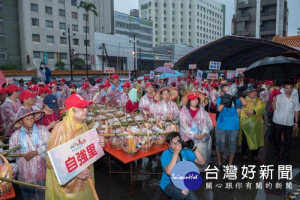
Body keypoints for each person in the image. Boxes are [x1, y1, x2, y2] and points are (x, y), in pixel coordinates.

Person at [45, 94, 104, 199]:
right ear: (72, 110)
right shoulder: (60, 129)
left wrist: (97, 144)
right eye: (81, 108)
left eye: (86, 107)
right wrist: (75, 172)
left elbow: (85, 150)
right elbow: (51, 161)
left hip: (85, 182)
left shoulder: (83, 126)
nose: (86, 110)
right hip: (68, 188)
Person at [9, 108, 49, 200]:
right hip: (25, 175)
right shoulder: (15, 135)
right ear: (21, 121)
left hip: (42, 172)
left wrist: (36, 152)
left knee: (43, 196)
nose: (30, 120)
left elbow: (50, 145)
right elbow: (11, 156)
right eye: (26, 119)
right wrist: (8, 153)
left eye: (32, 117)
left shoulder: (42, 130)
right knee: (28, 197)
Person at [160, 132, 205, 200]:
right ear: (169, 145)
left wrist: (194, 149)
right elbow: (169, 172)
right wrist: (176, 153)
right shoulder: (166, 153)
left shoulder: (185, 151)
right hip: (168, 183)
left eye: (178, 142)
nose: (177, 145)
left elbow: (202, 162)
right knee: (182, 194)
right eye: (174, 143)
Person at [180, 92, 213, 171]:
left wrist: (203, 133)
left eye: (196, 100)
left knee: (201, 159)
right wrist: (193, 135)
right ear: (189, 101)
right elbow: (183, 126)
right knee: (189, 159)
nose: (195, 102)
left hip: (202, 139)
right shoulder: (183, 112)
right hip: (188, 140)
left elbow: (207, 123)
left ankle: (199, 174)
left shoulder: (202, 111)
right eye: (192, 100)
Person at [216, 84, 245, 168]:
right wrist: (225, 99)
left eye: (229, 91)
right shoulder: (220, 99)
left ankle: (230, 164)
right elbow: (219, 109)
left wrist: (239, 95)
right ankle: (219, 163)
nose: (228, 93)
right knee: (219, 145)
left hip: (233, 126)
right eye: (225, 91)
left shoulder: (235, 100)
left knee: (232, 146)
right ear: (222, 92)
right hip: (221, 125)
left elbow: (244, 103)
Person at [272, 80, 299, 163]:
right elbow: (273, 108)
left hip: (289, 122)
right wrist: (274, 101)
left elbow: (296, 110)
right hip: (278, 121)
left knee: (288, 140)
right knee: (276, 139)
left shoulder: (295, 98)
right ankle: (276, 153)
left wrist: (296, 121)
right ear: (284, 88)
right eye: (286, 88)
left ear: (293, 88)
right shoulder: (279, 97)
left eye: (290, 88)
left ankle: (285, 155)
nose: (288, 90)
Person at [239, 85, 266, 160]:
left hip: (257, 124)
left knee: (257, 138)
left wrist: (254, 111)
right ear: (248, 93)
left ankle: (255, 154)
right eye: (252, 92)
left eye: (255, 91)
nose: (254, 93)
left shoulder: (259, 100)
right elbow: (242, 111)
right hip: (246, 124)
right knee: (245, 139)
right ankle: (244, 152)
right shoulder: (243, 100)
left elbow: (262, 109)